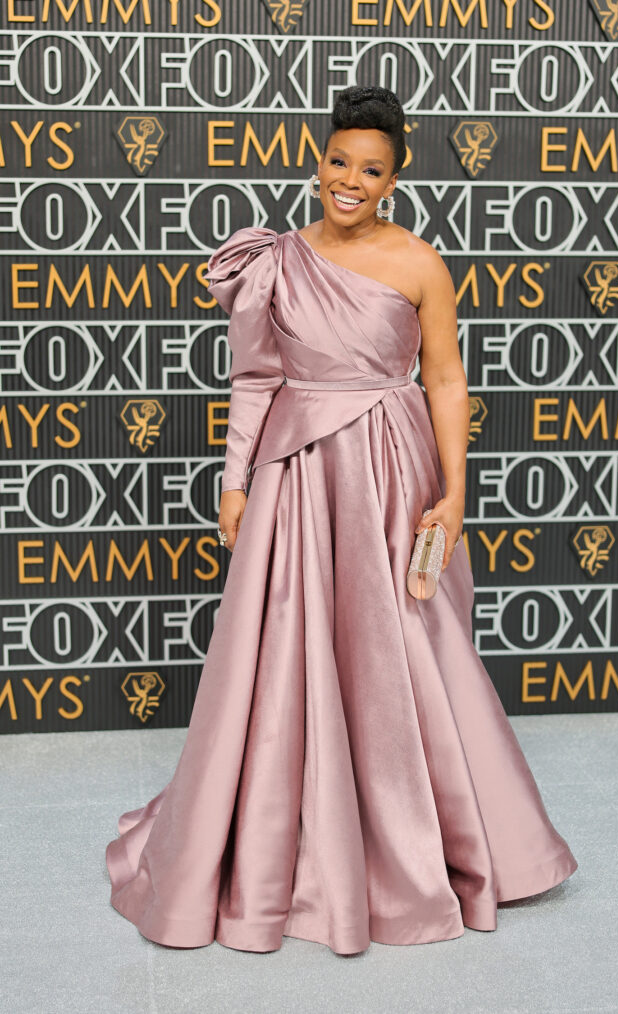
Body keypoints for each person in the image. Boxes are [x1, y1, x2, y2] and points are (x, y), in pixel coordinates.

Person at [105, 85, 577, 956]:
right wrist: (236, 481)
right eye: (337, 162)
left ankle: (434, 842)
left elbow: (444, 379)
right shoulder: (274, 260)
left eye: (370, 170)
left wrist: (456, 489)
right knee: (287, 649)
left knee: (403, 646)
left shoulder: (420, 263)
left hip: (392, 472)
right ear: (318, 160)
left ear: (393, 181)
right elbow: (254, 379)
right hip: (297, 473)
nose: (348, 181)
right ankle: (293, 836)